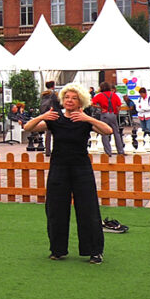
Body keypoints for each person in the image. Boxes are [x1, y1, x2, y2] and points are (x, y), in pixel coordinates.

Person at [23, 82, 112, 264]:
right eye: (67, 98)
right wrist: (43, 115)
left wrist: (88, 119)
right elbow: (28, 128)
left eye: (74, 98)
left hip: (81, 168)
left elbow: (108, 130)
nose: (70, 101)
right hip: (59, 167)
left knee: (88, 210)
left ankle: (94, 251)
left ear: (81, 101)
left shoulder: (85, 119)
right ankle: (58, 249)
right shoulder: (55, 118)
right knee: (56, 209)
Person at [91, 81, 125, 157]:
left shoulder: (99, 95)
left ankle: (108, 152)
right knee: (116, 133)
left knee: (104, 133)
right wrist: (116, 112)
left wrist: (100, 107)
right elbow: (119, 105)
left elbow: (91, 103)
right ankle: (120, 151)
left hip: (104, 114)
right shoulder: (114, 95)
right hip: (113, 114)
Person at [39, 81, 60, 155]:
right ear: (53, 86)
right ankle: (56, 150)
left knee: (47, 133)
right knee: (56, 133)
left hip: (46, 114)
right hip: (54, 114)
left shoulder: (44, 94)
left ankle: (47, 150)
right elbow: (59, 104)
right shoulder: (54, 94)